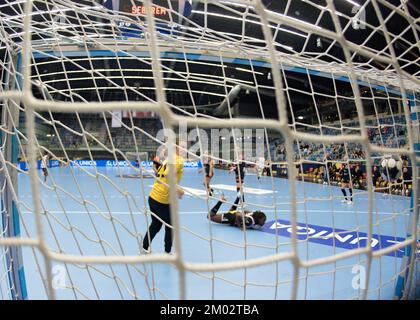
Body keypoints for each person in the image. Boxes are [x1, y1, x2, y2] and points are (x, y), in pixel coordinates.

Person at [142, 140, 185, 254]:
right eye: (182, 147)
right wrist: (178, 190)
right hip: (162, 200)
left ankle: (144, 247)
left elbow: (159, 174)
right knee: (170, 225)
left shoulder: (168, 159)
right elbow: (168, 175)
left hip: (153, 197)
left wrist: (156, 165)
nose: (184, 149)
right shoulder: (178, 160)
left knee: (156, 224)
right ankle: (167, 251)